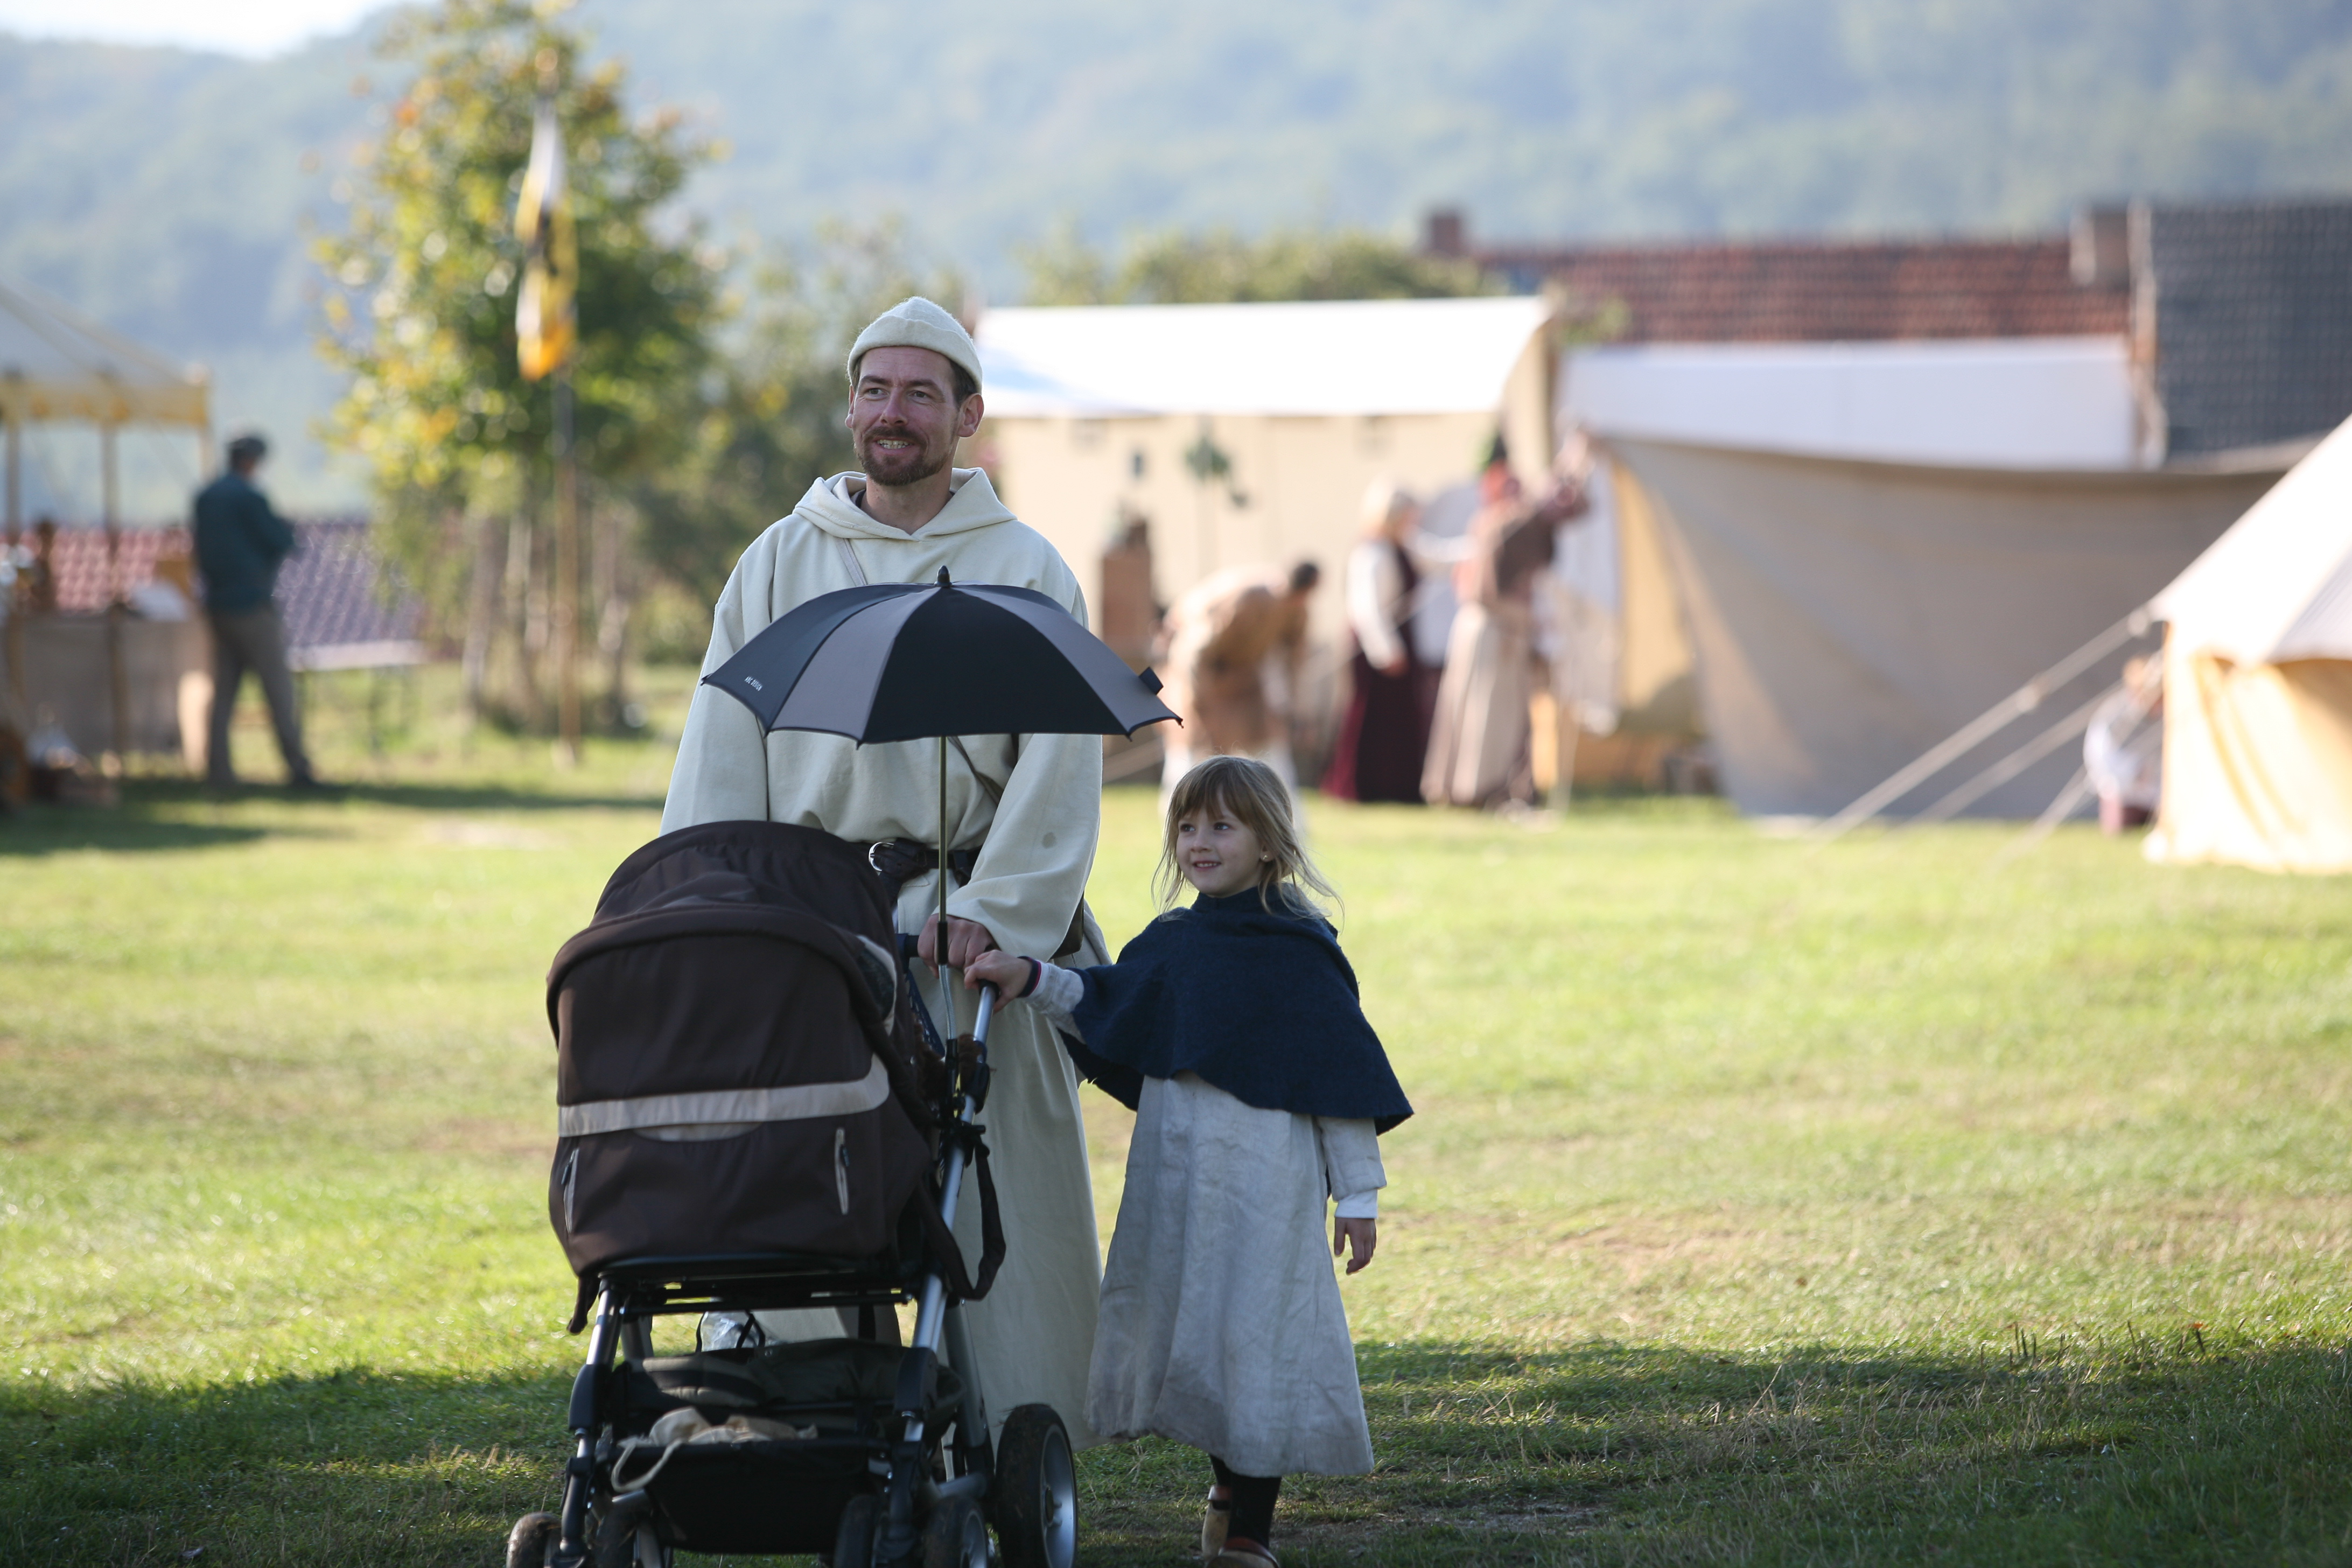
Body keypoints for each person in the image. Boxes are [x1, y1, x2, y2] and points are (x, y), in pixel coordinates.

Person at [660, 297, 1109, 1446]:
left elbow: (1060, 774)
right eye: (874, 390)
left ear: (967, 416)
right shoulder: (779, 560)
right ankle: (805, 1421)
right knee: (802, 1165)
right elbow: (720, 754)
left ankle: (1015, 1433)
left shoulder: (1025, 568)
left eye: (919, 392)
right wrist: (720, 910)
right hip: (810, 925)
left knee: (996, 1181)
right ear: (850, 409)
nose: (892, 413)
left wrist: (994, 917)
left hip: (966, 929)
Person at [967, 755, 1410, 1567]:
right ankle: (1227, 1485)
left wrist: (1358, 1196)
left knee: (1256, 1338)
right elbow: (1104, 1001)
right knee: (1199, 1336)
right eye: (1187, 826)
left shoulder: (1301, 953)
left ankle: (1250, 1534)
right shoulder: (1174, 944)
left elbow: (1341, 1084)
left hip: (1268, 1187)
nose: (1199, 842)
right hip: (1177, 1179)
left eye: (1222, 826)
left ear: (1269, 842)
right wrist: (1026, 976)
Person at [1422, 442, 1585, 808]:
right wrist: (1527, 621)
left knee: (1491, 713)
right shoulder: (1511, 525)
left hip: (1493, 628)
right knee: (1488, 713)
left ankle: (1479, 787)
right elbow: (1487, 592)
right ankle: (1479, 788)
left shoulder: (1511, 523)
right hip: (1494, 630)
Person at [192, 434, 318, 789]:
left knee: (223, 693)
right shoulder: (248, 498)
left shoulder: (205, 497)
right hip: (251, 607)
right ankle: (298, 768)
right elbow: (280, 541)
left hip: (218, 607)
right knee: (278, 690)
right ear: (251, 461)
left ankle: (218, 771)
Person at [1156, 559, 1321, 810]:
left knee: (1270, 748)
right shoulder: (1245, 598)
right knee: (1189, 750)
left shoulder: (1297, 610)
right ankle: (1176, 820)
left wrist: (1299, 711)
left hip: (1245, 683)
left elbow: (1296, 662)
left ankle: (1288, 825)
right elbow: (1193, 651)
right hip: (1198, 677)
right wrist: (1200, 704)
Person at [1321, 480, 1431, 803]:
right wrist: (1387, 651)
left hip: (1399, 640)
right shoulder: (1371, 552)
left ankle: (1398, 785)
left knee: (1398, 717)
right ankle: (1365, 785)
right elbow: (1367, 609)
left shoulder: (1404, 546)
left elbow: (1438, 558)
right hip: (1378, 647)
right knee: (1369, 716)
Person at [2086, 654, 2164, 832]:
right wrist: (2134, 773)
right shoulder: (2113, 715)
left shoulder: (2166, 713)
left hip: (2158, 795)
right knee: (2122, 827)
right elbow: (2101, 758)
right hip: (2124, 795)